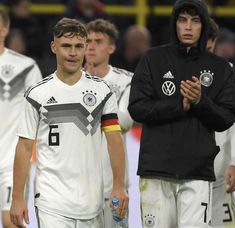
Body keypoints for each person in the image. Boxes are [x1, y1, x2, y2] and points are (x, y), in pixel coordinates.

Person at [10, 17, 129, 228]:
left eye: (78, 46)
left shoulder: (102, 92)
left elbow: (114, 140)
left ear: (85, 48)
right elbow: (24, 147)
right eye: (66, 46)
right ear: (54, 47)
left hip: (91, 202)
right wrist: (18, 198)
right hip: (50, 200)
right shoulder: (37, 94)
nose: (72, 53)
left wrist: (119, 186)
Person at [128, 0, 235, 227]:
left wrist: (199, 101)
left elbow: (226, 118)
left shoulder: (220, 68)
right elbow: (137, 108)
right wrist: (179, 105)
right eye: (182, 20)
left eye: (195, 21)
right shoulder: (152, 59)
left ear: (203, 26)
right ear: (174, 24)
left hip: (197, 172)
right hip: (156, 171)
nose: (188, 27)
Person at [85, 18, 133, 227]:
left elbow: (126, 121)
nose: (91, 46)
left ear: (112, 47)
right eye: (87, 41)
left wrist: (96, 90)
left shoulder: (126, 80)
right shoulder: (70, 82)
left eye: (99, 41)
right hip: (78, 186)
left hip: (113, 185)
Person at [0, 9, 42, 228]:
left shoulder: (25, 68)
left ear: (5, 29)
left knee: (11, 221)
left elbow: (41, 111)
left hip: (10, 161)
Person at [207, 17, 235, 227]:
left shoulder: (229, 73)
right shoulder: (173, 70)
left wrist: (234, 161)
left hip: (220, 173)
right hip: (185, 171)